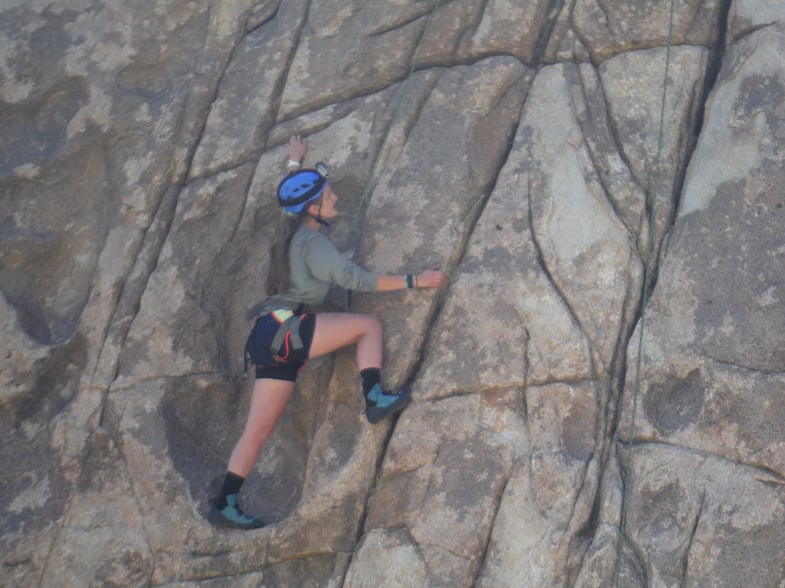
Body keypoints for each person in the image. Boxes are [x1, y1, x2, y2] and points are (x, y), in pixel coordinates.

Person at [207, 135, 446, 529]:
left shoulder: (292, 230)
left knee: (257, 430)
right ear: (313, 209)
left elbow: (292, 199)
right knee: (368, 326)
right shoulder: (313, 244)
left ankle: (225, 502)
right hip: (291, 331)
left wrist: (294, 163)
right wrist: (413, 280)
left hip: (270, 337)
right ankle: (374, 399)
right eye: (329, 196)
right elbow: (356, 279)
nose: (335, 199)